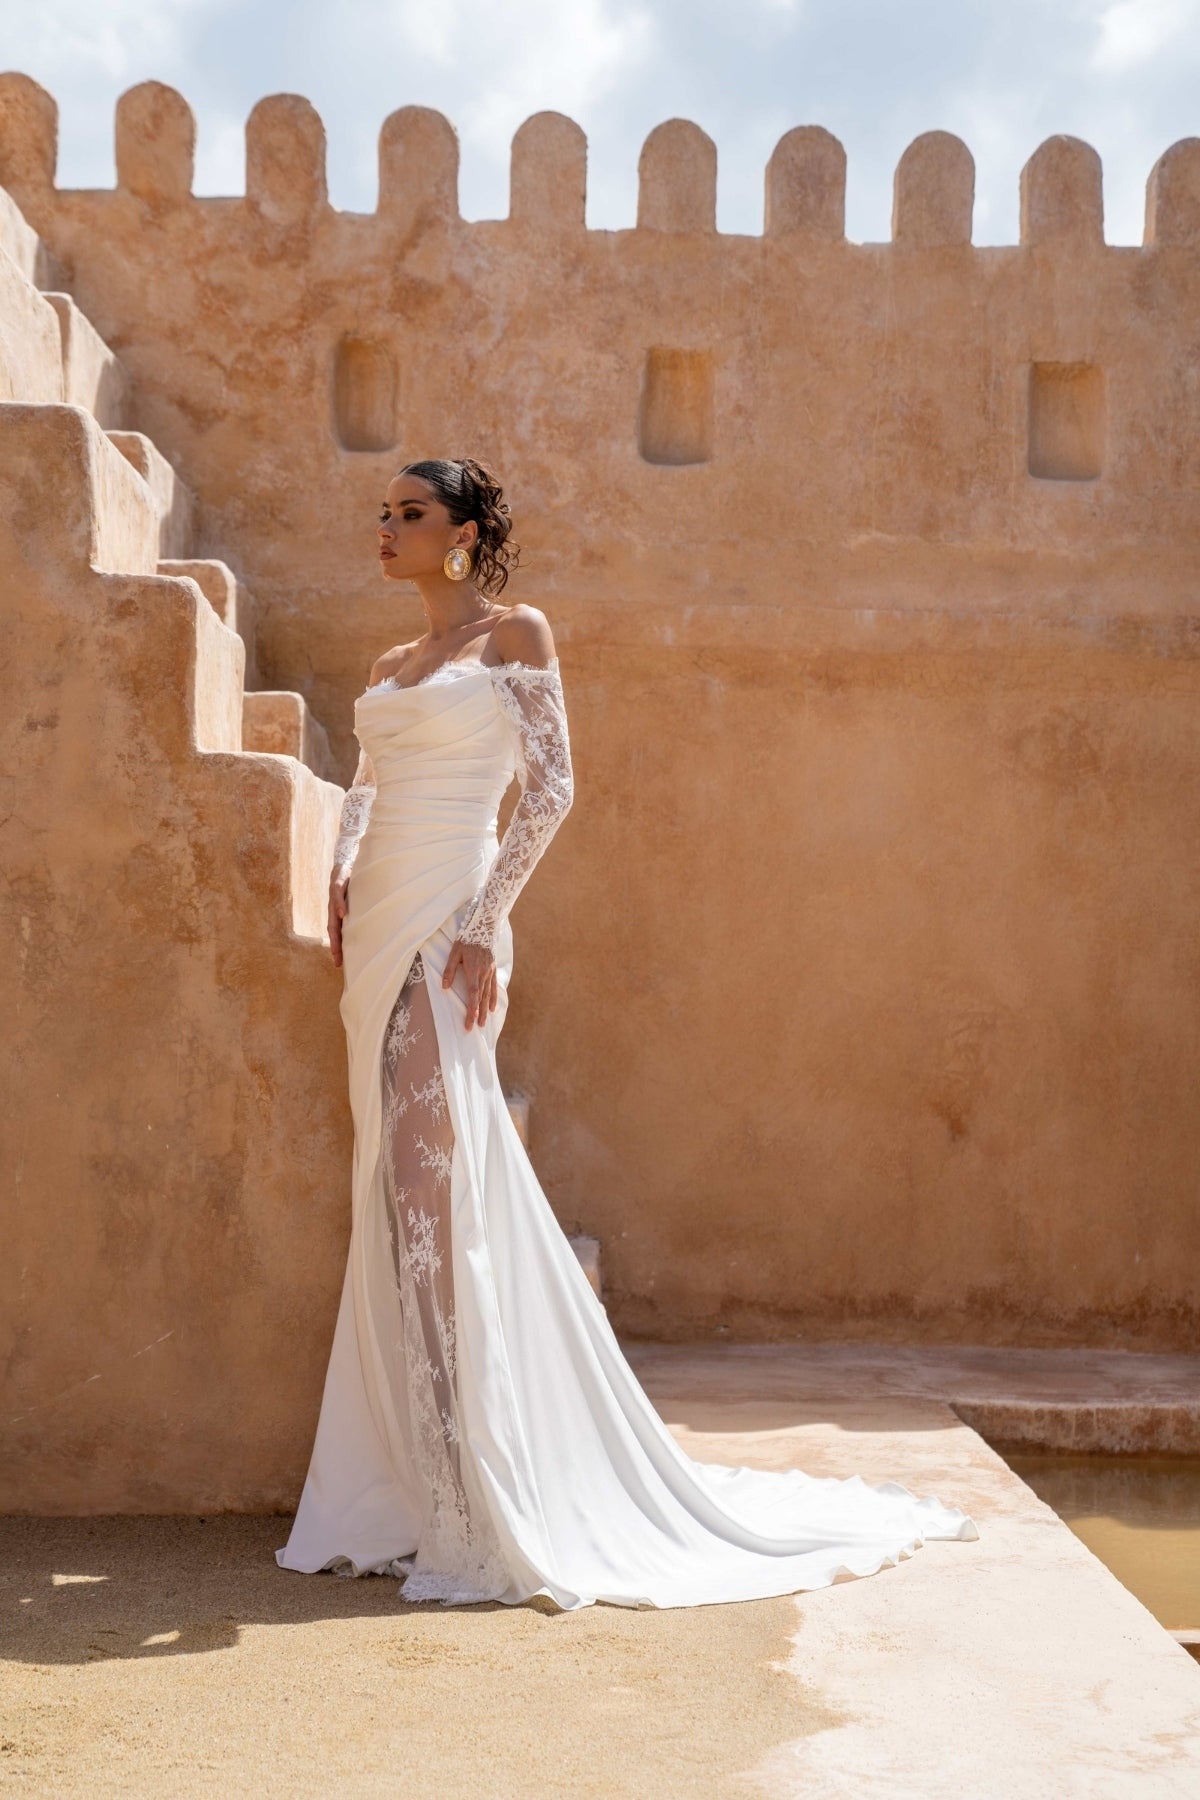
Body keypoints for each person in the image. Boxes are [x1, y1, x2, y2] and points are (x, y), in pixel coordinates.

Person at [275, 456, 980, 1608]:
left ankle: (474, 1497)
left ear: (460, 536)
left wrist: (482, 924)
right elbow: (365, 783)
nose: (385, 528)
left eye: (409, 514)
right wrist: (344, 871)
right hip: (381, 931)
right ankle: (422, 1479)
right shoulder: (388, 666)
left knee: (427, 1192)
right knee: (400, 1194)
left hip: (447, 923)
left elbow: (551, 790)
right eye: (382, 513)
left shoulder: (517, 638)